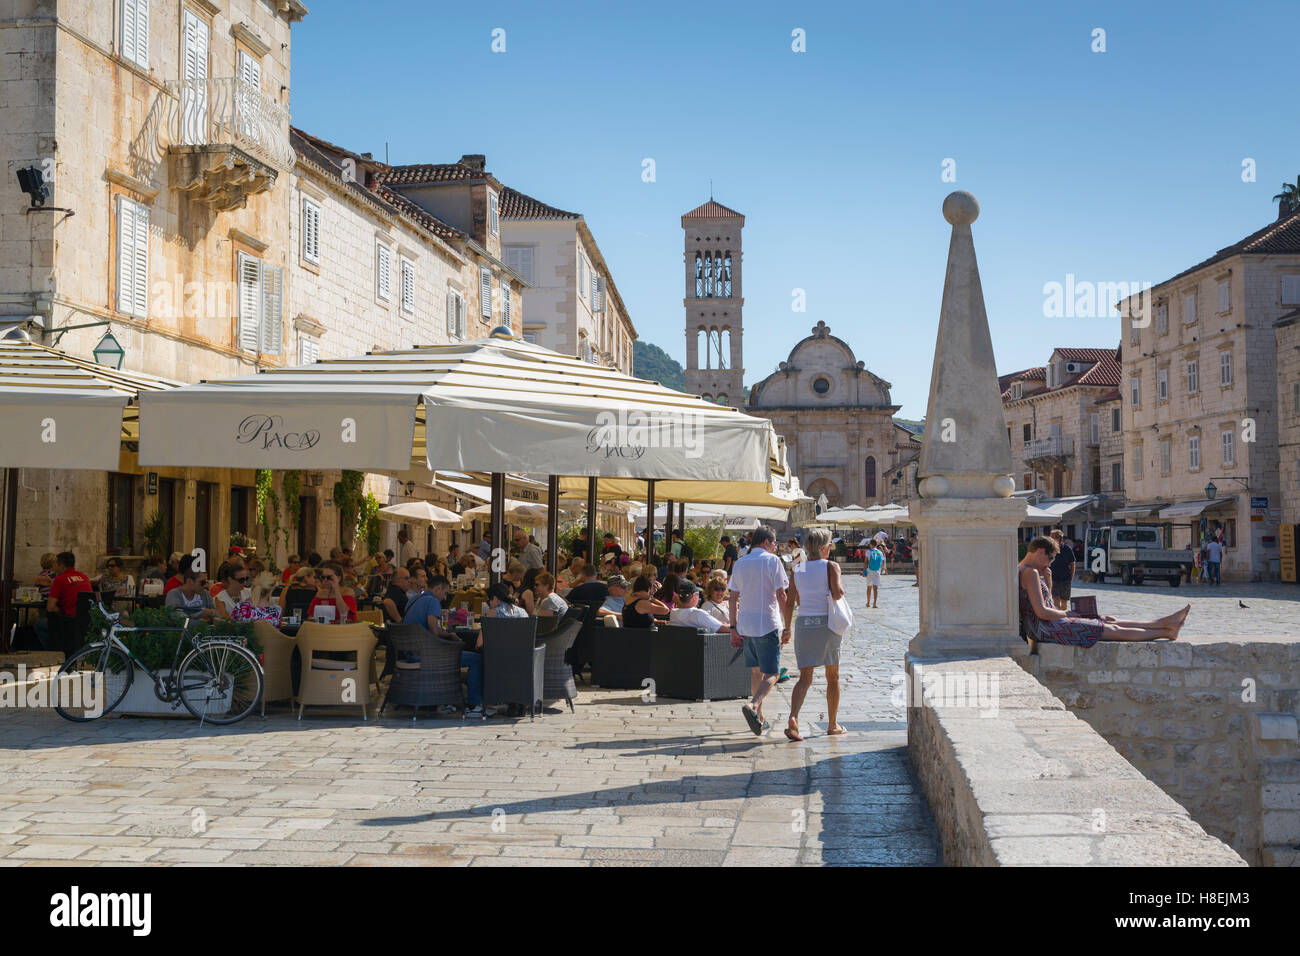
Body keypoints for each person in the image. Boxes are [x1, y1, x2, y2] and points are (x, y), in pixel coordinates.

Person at [1019, 536, 1187, 644]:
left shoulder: (1023, 569)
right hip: (1046, 627)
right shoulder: (1030, 572)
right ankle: (1166, 631)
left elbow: (1042, 601)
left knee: (1107, 619)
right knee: (1110, 629)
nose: (1049, 564)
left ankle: (1162, 623)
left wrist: (1048, 581)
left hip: (1048, 623)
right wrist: (1067, 613)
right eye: (1050, 558)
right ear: (1041, 551)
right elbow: (1041, 612)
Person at [784, 528, 846, 741]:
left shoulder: (797, 569)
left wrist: (786, 628)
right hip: (826, 625)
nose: (831, 548)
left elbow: (790, 601)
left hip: (804, 624)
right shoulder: (831, 566)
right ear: (823, 547)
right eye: (830, 545)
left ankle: (793, 718)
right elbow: (837, 593)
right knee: (832, 677)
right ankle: (832, 724)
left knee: (804, 678)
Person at [727, 526, 789, 736]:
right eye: (774, 544)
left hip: (746, 625)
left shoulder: (740, 562)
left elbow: (733, 597)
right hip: (767, 623)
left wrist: (733, 627)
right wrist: (787, 623)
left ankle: (760, 718)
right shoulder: (773, 561)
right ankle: (753, 706)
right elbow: (782, 595)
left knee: (756, 672)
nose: (775, 548)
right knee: (772, 672)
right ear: (765, 542)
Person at [47, 552, 92, 620]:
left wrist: (61, 611)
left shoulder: (60, 579)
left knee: (39, 624)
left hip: (69, 621)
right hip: (87, 621)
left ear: (62, 566)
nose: (54, 567)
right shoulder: (84, 577)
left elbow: (50, 608)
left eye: (56, 564)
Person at [1048, 529, 1076, 611]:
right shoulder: (1049, 549)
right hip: (1053, 578)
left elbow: (1073, 564)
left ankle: (1062, 618)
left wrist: (1071, 577)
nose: (1050, 539)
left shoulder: (1067, 549)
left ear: (1058, 538)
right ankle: (1058, 619)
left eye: (1051, 537)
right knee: (1056, 600)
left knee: (1064, 601)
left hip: (1065, 578)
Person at [863, 539, 885, 608]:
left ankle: (868, 602)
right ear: (876, 545)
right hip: (877, 571)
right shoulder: (880, 552)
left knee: (869, 587)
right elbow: (882, 563)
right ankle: (874, 604)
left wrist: (864, 571)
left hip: (870, 570)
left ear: (870, 544)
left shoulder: (868, 552)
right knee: (876, 588)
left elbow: (866, 562)